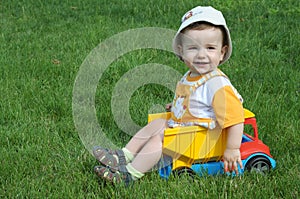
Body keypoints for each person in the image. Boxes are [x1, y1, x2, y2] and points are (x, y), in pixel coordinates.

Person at [93, 6, 244, 185]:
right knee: (157, 123)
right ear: (181, 51)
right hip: (188, 128)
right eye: (193, 48)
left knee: (161, 137)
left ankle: (130, 174)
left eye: (210, 48)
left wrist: (232, 148)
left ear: (222, 52)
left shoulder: (216, 84)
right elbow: (195, 101)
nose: (202, 55)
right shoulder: (191, 76)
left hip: (204, 137)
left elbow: (235, 117)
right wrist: (177, 106)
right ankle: (125, 155)